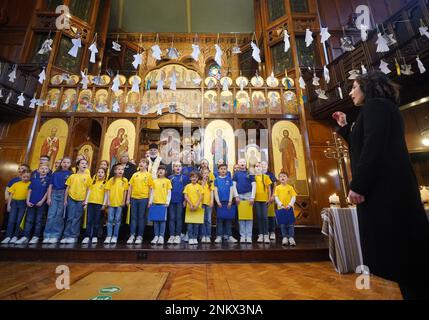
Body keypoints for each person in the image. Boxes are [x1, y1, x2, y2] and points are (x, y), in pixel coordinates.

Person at [333, 71, 429, 300]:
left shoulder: (376, 107)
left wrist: (359, 185)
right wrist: (347, 128)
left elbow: (374, 147)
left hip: (388, 195)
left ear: (366, 86)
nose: (350, 92)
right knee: (408, 264)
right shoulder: (379, 108)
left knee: (407, 260)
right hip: (390, 193)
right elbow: (365, 143)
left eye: (354, 87)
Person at [15, 164, 50, 245]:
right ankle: (25, 236)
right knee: (29, 220)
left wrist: (42, 201)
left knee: (38, 220)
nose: (44, 170)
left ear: (48, 171)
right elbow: (29, 191)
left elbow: (47, 192)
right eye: (42, 168)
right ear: (38, 170)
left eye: (46, 168)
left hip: (41, 203)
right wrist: (27, 201)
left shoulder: (48, 179)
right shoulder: (34, 179)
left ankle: (36, 236)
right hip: (31, 202)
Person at [61, 159, 92, 244]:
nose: (84, 165)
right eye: (82, 163)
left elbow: (89, 189)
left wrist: (86, 201)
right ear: (78, 165)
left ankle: (73, 236)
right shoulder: (72, 176)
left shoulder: (88, 177)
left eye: (85, 164)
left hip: (81, 199)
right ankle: (66, 235)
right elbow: (67, 189)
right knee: (70, 217)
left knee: (76, 218)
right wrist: (65, 200)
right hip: (71, 198)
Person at [43, 157, 73, 244]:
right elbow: (50, 186)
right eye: (64, 162)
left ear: (70, 164)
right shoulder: (55, 173)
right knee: (51, 215)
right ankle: (47, 235)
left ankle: (55, 235)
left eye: (68, 162)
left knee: (59, 216)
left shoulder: (71, 174)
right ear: (61, 163)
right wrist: (48, 197)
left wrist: (66, 199)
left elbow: (69, 187)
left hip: (64, 194)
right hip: (54, 193)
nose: (65, 164)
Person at [126, 158, 153, 245]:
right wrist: (128, 198)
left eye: (144, 162)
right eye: (140, 162)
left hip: (144, 198)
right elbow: (130, 187)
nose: (141, 163)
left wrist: (149, 200)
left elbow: (151, 189)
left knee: (141, 217)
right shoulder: (135, 175)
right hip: (134, 198)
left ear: (147, 165)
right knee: (133, 217)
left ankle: (140, 236)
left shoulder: (149, 175)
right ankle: (132, 235)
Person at [1, 171, 31, 244]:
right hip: (14, 203)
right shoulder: (15, 184)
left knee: (19, 220)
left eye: (28, 177)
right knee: (11, 220)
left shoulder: (30, 184)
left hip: (23, 203)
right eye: (24, 177)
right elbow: (11, 195)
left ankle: (16, 236)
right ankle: (8, 236)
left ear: (30, 177)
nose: (26, 178)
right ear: (20, 176)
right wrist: (8, 205)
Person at [104, 164, 129, 244]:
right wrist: (107, 201)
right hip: (111, 203)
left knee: (118, 220)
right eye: (118, 169)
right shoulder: (111, 180)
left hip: (119, 204)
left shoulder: (125, 180)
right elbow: (107, 190)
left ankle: (115, 236)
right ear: (115, 171)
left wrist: (123, 201)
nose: (120, 171)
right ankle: (109, 236)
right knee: (110, 219)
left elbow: (125, 191)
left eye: (122, 169)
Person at [82, 167, 107, 245]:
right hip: (90, 203)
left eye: (102, 172)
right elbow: (89, 192)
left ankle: (94, 236)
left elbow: (106, 195)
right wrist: (86, 203)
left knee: (97, 221)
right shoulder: (93, 183)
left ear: (105, 174)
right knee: (89, 221)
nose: (100, 174)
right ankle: (87, 236)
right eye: (99, 172)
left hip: (99, 204)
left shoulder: (105, 183)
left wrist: (104, 204)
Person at [233, 159, 256, 243]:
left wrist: (252, 197)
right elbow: (234, 185)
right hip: (239, 196)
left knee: (249, 217)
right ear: (238, 164)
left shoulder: (249, 173)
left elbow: (254, 185)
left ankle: (249, 236)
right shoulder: (236, 174)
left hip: (249, 196)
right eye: (240, 162)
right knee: (241, 217)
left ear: (246, 164)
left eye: (244, 162)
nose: (242, 163)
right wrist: (236, 196)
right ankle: (243, 236)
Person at [148, 165, 172, 245]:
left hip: (163, 204)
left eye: (162, 170)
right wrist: (150, 202)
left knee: (162, 221)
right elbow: (152, 192)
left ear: (165, 172)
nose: (161, 171)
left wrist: (167, 202)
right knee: (155, 221)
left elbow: (169, 193)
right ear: (157, 172)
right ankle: (156, 236)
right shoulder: (154, 181)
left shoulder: (167, 181)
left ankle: (161, 236)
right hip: (155, 203)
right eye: (159, 170)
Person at [168, 162, 189, 244]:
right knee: (172, 218)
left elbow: (186, 190)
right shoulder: (170, 177)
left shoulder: (184, 178)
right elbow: (168, 190)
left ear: (181, 168)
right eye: (176, 166)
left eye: (179, 166)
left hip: (180, 201)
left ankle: (178, 235)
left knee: (179, 218)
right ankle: (172, 235)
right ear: (173, 168)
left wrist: (185, 200)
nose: (178, 167)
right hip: (171, 201)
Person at [214, 164, 236, 243]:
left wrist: (230, 201)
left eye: (225, 169)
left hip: (228, 202)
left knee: (228, 219)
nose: (223, 170)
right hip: (220, 203)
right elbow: (215, 192)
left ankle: (229, 235)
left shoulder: (229, 179)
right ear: (218, 170)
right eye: (221, 169)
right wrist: (217, 201)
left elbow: (231, 191)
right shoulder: (216, 180)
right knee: (219, 220)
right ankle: (219, 236)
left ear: (227, 170)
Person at [274, 171, 297, 246]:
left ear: (287, 178)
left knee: (290, 224)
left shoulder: (290, 187)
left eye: (284, 176)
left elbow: (294, 197)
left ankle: (291, 237)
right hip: (281, 208)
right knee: (283, 224)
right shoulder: (277, 187)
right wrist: (281, 204)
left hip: (289, 208)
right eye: (280, 176)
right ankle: (284, 237)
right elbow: (276, 197)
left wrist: (290, 205)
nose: (282, 178)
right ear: (279, 178)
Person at [253, 162, 272, 244]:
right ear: (254, 168)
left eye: (259, 166)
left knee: (264, 217)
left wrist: (269, 198)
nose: (258, 167)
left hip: (264, 200)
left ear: (262, 167)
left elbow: (269, 188)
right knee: (259, 217)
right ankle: (260, 234)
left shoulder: (266, 176)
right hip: (256, 200)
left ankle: (266, 234)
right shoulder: (253, 177)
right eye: (256, 166)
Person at [183, 171, 204, 245]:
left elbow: (201, 197)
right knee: (190, 225)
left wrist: (197, 204)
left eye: (196, 177)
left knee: (196, 225)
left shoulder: (200, 186)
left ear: (198, 178)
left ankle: (195, 238)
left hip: (198, 207)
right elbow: (186, 196)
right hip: (190, 207)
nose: (194, 178)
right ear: (190, 178)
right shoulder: (187, 186)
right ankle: (190, 237)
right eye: (192, 177)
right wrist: (191, 204)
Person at [262, 161, 278, 240]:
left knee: (271, 215)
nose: (263, 166)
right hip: (261, 199)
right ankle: (265, 232)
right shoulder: (258, 175)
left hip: (270, 198)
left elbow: (275, 186)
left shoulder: (270, 174)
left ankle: (272, 232)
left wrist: (272, 196)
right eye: (262, 165)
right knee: (263, 216)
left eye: (265, 165)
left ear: (267, 166)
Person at [200, 167, 214, 243]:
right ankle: (203, 235)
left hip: (208, 203)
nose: (205, 175)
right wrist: (202, 183)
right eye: (204, 173)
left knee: (208, 219)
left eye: (207, 173)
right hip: (201, 203)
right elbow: (199, 191)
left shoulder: (210, 182)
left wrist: (212, 201)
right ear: (201, 174)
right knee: (202, 219)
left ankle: (208, 235)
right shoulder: (199, 182)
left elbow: (212, 192)